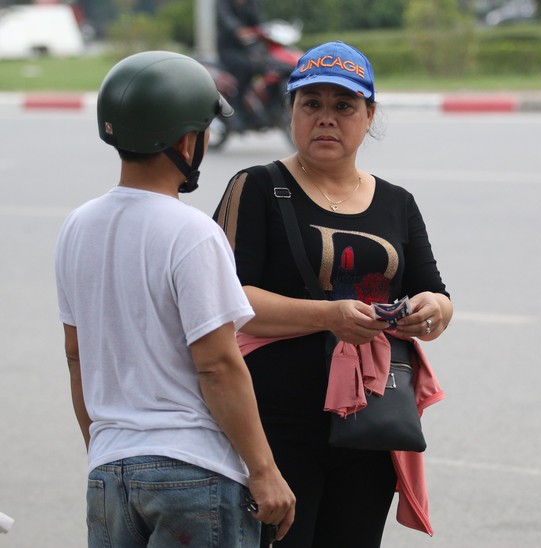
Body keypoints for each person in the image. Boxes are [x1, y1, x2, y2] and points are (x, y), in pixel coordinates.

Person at [213, 41, 453, 547]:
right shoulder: (257, 186)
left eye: (343, 106)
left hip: (370, 421)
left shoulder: (396, 202)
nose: (327, 118)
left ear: (369, 116)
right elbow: (227, 301)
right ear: (292, 113)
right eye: (312, 104)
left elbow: (434, 291)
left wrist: (432, 310)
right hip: (272, 423)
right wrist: (329, 316)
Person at [55, 51, 295, 547]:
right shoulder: (192, 232)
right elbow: (218, 366)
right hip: (194, 472)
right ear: (188, 140)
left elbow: (76, 356)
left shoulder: (77, 227)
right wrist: (265, 471)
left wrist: (105, 451)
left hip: (109, 471)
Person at [216, 0, 266, 129]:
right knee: (243, 68)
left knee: (263, 65)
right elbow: (226, 19)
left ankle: (259, 106)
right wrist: (238, 30)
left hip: (248, 47)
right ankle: (236, 109)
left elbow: (258, 21)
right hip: (228, 48)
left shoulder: (251, 3)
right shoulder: (223, 3)